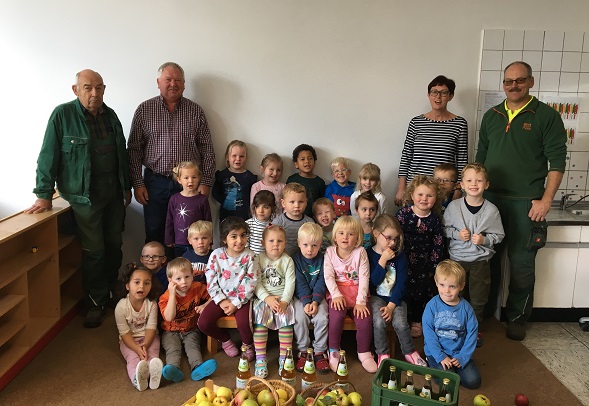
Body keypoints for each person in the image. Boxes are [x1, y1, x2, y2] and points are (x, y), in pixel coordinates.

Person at [25, 69, 131, 328]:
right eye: (87, 87)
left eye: (98, 88)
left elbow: (122, 154)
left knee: (114, 243)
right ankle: (94, 302)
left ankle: (108, 292)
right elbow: (48, 156)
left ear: (104, 89)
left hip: (113, 192)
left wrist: (126, 186)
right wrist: (43, 194)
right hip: (85, 196)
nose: (94, 93)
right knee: (94, 250)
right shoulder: (62, 115)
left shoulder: (111, 115)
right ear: (76, 90)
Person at [476, 61, 567, 341]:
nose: (513, 85)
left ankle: (517, 318)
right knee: (485, 260)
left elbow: (557, 161)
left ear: (531, 82)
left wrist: (545, 200)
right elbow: (481, 158)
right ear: (503, 84)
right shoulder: (491, 116)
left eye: (519, 80)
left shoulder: (547, 116)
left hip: (526, 203)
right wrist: (474, 194)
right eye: (508, 81)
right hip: (489, 202)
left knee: (522, 263)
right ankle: (483, 315)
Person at [127, 62, 216, 252]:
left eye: (178, 80)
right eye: (168, 79)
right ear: (158, 82)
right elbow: (134, 149)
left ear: (184, 84)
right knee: (155, 232)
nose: (173, 84)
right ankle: (158, 280)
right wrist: (138, 183)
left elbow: (207, 149)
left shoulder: (196, 111)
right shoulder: (144, 110)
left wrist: (206, 182)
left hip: (189, 185)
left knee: (191, 235)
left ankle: (188, 280)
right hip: (155, 183)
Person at [443, 163, 504, 324]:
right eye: (469, 180)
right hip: (457, 260)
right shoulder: (453, 207)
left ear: (486, 184)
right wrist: (456, 234)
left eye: (478, 180)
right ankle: (455, 324)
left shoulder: (492, 210)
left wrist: (485, 240)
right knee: (455, 294)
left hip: (480, 261)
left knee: (479, 296)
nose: (474, 184)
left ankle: (474, 328)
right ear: (461, 185)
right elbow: (444, 230)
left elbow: (499, 235)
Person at [395, 75, 468, 206]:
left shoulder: (459, 124)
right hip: (415, 189)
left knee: (440, 225)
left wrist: (458, 191)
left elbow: (462, 161)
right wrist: (401, 188)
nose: (438, 97)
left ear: (451, 96)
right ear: (428, 95)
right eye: (434, 92)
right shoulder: (416, 123)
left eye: (443, 93)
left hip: (443, 191)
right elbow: (406, 156)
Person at [368, 215, 426, 367]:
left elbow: (402, 284)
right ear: (375, 233)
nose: (392, 243)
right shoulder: (368, 254)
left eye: (395, 239)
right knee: (379, 322)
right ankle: (383, 354)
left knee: (401, 323)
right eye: (388, 238)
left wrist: (391, 306)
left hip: (396, 298)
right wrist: (383, 261)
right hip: (376, 297)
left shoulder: (400, 256)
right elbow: (372, 282)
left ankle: (410, 352)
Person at [197, 217, 258, 361]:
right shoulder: (216, 255)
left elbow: (251, 282)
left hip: (242, 298)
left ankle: (248, 345)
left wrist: (236, 303)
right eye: (234, 236)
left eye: (243, 235)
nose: (239, 240)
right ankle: (225, 340)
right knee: (203, 323)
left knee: (244, 323)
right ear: (225, 239)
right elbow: (211, 281)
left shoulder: (250, 256)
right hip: (220, 298)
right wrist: (221, 301)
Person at [324, 216, 378, 373]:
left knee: (365, 319)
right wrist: (335, 294)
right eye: (341, 233)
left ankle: (364, 352)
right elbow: (328, 276)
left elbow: (364, 277)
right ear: (334, 236)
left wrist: (361, 301)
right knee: (335, 316)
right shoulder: (330, 252)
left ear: (358, 238)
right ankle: (333, 350)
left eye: (350, 234)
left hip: (357, 292)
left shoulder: (360, 252)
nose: (345, 237)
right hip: (338, 293)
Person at [395, 176, 445, 339]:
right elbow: (394, 236)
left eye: (429, 196)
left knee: (420, 293)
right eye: (420, 195)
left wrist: (434, 265)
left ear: (436, 198)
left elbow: (438, 243)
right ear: (412, 194)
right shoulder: (403, 214)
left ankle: (417, 320)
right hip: (403, 260)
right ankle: (402, 319)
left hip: (424, 264)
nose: (424, 199)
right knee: (401, 289)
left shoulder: (435, 219)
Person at [423, 260, 481, 389]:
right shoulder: (431, 306)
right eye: (442, 285)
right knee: (449, 383)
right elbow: (428, 334)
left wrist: (463, 357)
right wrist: (440, 356)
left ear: (461, 286)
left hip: (459, 353)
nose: (447, 291)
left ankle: (457, 367)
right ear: (436, 282)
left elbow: (472, 335)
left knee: (473, 382)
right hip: (437, 353)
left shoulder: (466, 309)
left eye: (452, 286)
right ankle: (431, 363)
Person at [158, 258, 217, 382]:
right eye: (178, 279)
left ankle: (198, 367)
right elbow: (169, 317)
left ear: (192, 275)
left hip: (191, 329)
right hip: (170, 331)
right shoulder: (165, 297)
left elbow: (215, 296)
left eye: (187, 277)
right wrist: (173, 295)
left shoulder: (197, 287)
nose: (184, 282)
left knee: (193, 348)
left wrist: (204, 306)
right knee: (173, 349)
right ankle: (173, 369)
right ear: (170, 281)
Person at [252, 226, 296, 378]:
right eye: (271, 241)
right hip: (264, 299)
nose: (275, 244)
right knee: (260, 320)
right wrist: (267, 298)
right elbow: (256, 283)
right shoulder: (258, 258)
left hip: (283, 299)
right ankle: (260, 359)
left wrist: (284, 301)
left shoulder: (287, 260)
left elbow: (290, 283)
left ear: (285, 243)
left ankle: (284, 358)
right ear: (263, 243)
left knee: (286, 320)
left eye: (279, 241)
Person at [115, 264, 163, 391]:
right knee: (133, 359)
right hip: (129, 340)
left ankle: (153, 375)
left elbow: (151, 327)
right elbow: (124, 333)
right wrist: (136, 348)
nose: (141, 286)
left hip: (149, 337)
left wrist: (145, 345)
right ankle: (137, 379)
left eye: (146, 283)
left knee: (152, 355)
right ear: (127, 286)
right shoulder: (120, 307)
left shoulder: (151, 304)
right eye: (136, 282)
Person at [292, 223, 330, 374]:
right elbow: (299, 283)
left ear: (320, 244)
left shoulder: (323, 259)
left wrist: (315, 301)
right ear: (299, 243)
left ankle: (319, 352)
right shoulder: (295, 260)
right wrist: (307, 302)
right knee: (299, 317)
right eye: (306, 245)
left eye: (314, 245)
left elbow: (322, 280)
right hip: (300, 298)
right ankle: (303, 350)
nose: (309, 249)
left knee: (322, 318)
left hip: (318, 297)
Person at [165, 162, 212, 258]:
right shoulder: (174, 199)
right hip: (179, 242)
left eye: (194, 177)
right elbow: (169, 220)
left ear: (199, 178)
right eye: (186, 178)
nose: (190, 181)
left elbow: (208, 222)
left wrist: (210, 240)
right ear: (179, 179)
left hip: (198, 243)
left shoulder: (202, 200)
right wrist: (169, 239)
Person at [213, 140, 257, 221]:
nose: (238, 159)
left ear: (246, 157)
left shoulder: (250, 177)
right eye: (234, 156)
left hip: (244, 217)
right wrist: (225, 202)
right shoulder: (222, 175)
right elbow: (215, 192)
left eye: (241, 156)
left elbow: (254, 197)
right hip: (226, 216)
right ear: (227, 157)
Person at [272, 183, 315, 256]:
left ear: (306, 202)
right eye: (292, 202)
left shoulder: (309, 222)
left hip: (303, 259)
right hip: (283, 258)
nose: (297, 206)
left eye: (301, 202)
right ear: (283, 203)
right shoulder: (278, 222)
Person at [286, 144, 325, 218]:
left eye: (310, 158)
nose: (307, 161)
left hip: (313, 219)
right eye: (302, 159)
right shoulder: (292, 179)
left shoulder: (320, 182)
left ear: (314, 162)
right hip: (294, 217)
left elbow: (321, 204)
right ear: (296, 164)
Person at [182, 220, 214, 284]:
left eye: (204, 238)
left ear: (211, 239)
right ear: (189, 240)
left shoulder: (214, 256)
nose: (200, 242)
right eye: (196, 239)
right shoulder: (186, 256)